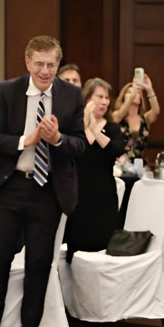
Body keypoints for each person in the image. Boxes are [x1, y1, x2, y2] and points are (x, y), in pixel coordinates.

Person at [0, 35, 86, 327]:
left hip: (47, 191)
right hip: (8, 187)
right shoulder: (7, 91)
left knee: (39, 262)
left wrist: (57, 139)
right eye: (39, 64)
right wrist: (26, 140)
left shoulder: (71, 95)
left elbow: (80, 145)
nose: (45, 71)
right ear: (28, 63)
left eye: (51, 65)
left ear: (58, 65)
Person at [65, 78, 125, 259]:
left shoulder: (112, 128)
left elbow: (116, 150)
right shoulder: (74, 127)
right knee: (76, 246)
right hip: (78, 193)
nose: (104, 102)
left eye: (107, 98)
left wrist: (94, 129)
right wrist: (85, 123)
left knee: (103, 246)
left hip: (104, 195)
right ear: (88, 99)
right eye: (99, 97)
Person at [111, 72, 160, 165]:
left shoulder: (145, 118)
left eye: (136, 93)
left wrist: (149, 89)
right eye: (129, 92)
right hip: (119, 165)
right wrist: (130, 98)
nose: (133, 94)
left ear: (140, 99)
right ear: (124, 97)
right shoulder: (118, 116)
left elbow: (156, 111)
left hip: (140, 165)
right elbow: (117, 117)